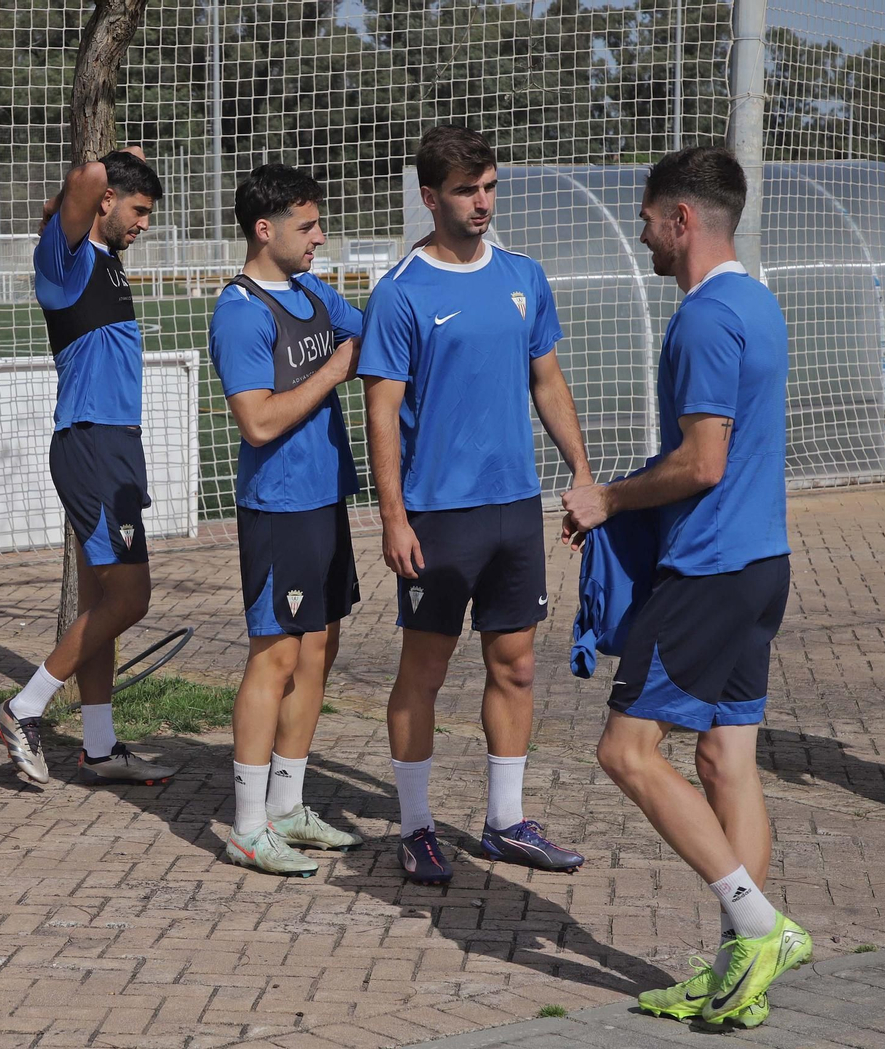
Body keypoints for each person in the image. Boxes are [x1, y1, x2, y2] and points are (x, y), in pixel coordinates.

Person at [563, 146, 810, 1027]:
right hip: (760, 565)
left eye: (648, 218)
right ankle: (740, 973)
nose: (642, 235)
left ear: (683, 221)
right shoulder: (759, 300)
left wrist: (608, 499)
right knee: (725, 759)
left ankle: (759, 925)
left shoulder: (706, 318)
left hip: (709, 570)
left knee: (627, 752)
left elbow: (703, 464)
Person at [359, 125, 594, 884]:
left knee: (517, 665)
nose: (483, 202)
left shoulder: (525, 274)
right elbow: (382, 413)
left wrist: (582, 476)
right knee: (424, 670)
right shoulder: (400, 291)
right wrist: (394, 516)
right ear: (431, 197)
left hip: (514, 507)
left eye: (490, 187)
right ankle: (418, 826)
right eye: (467, 190)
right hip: (438, 516)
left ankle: (505, 821)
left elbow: (548, 383)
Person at [0, 148, 178, 787]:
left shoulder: (104, 261)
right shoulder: (63, 260)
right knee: (132, 596)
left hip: (113, 446)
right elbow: (86, 178)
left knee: (102, 598)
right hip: (92, 444)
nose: (145, 223)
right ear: (104, 201)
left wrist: (125, 178)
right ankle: (24, 708)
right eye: (139, 209)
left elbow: (92, 189)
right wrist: (108, 170)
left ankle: (99, 748)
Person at [208, 164, 365, 876]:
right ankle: (245, 826)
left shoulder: (314, 292)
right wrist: (331, 373)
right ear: (263, 229)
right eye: (307, 226)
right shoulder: (240, 311)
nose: (320, 237)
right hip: (278, 507)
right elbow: (258, 421)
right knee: (273, 655)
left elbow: (374, 333)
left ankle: (288, 805)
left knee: (317, 650)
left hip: (326, 497)